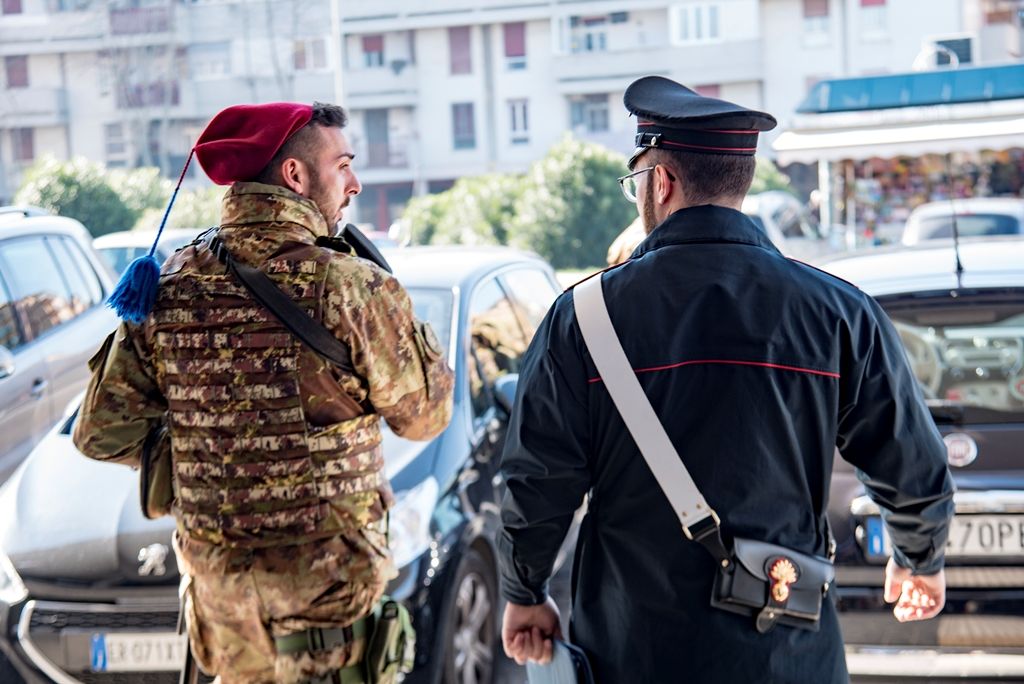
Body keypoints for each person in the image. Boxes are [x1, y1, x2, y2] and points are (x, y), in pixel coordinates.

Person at [497, 76, 955, 683]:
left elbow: (538, 479)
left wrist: (524, 592)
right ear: (739, 181)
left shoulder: (583, 318)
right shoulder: (838, 312)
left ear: (661, 182)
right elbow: (911, 460)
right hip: (788, 649)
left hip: (634, 650)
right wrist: (919, 558)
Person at [73, 101, 454, 684]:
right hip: (327, 617)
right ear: (295, 177)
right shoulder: (351, 286)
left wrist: (211, 455)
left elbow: (100, 433)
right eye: (343, 165)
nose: (354, 184)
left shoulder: (170, 286)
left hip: (225, 616)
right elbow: (425, 419)